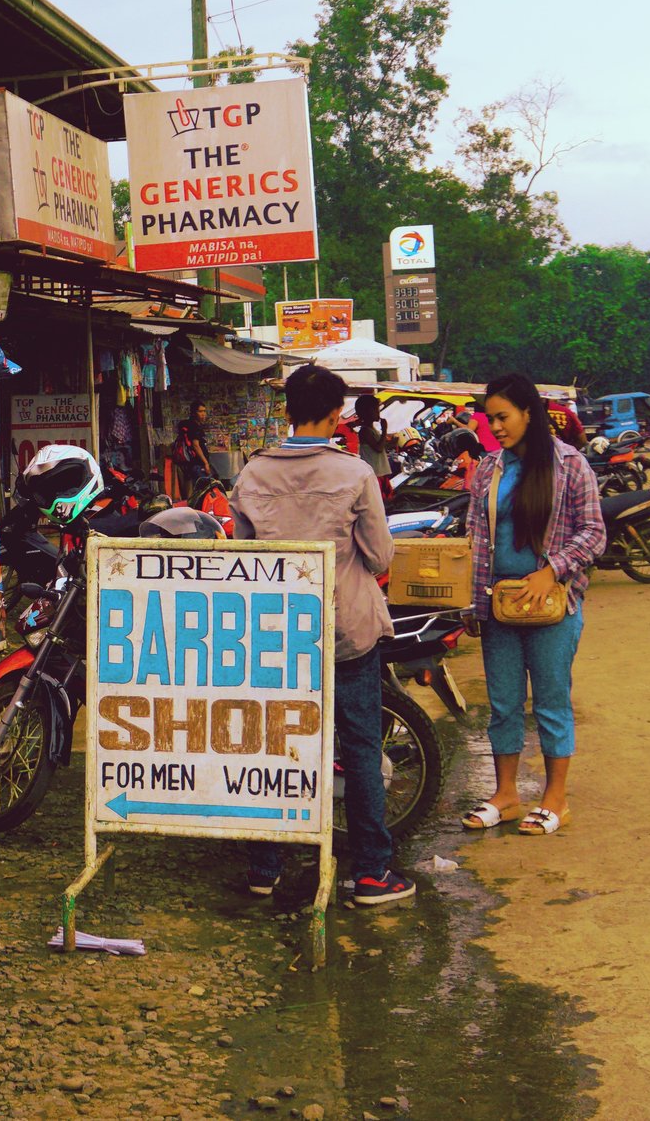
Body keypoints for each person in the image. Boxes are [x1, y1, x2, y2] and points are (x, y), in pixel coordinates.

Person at [231, 364, 413, 908]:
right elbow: (380, 556)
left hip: (276, 636)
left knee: (275, 747)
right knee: (359, 749)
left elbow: (243, 558)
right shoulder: (354, 474)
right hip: (345, 632)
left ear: (286, 411)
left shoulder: (252, 475)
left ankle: (265, 868)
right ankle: (373, 875)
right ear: (338, 416)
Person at [461, 372, 605, 839]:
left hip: (551, 606)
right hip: (498, 604)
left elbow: (594, 533)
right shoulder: (487, 469)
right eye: (490, 419)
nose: (496, 427)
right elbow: (474, 537)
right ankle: (505, 795)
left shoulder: (571, 465)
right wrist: (470, 602)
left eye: (503, 417)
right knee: (502, 704)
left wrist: (552, 570)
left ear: (529, 413)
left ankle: (555, 799)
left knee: (550, 701)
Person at [173, 401, 216, 500]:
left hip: (190, 464)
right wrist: (205, 463)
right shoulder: (195, 427)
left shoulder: (187, 425)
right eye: (200, 411)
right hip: (197, 464)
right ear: (193, 413)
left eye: (204, 411)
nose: (203, 414)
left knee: (195, 490)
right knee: (203, 491)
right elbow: (195, 445)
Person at [353, 393, 391, 481]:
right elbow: (379, 448)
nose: (378, 412)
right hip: (374, 474)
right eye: (375, 410)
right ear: (367, 412)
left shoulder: (372, 429)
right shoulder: (365, 431)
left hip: (379, 473)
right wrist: (384, 430)